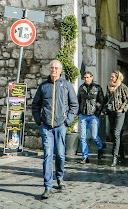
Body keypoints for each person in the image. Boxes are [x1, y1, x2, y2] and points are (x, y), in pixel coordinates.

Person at [32, 59, 79, 200]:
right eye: (51, 68)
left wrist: (67, 121)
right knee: (47, 155)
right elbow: (35, 105)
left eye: (56, 68)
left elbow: (74, 105)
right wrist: (39, 120)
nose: (53, 70)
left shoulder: (66, 86)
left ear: (60, 70)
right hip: (46, 127)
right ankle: (48, 186)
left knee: (60, 155)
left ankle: (59, 177)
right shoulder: (43, 87)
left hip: (60, 126)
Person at [105, 69, 128, 167]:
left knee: (116, 133)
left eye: (113, 77)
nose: (111, 78)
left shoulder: (122, 87)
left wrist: (122, 109)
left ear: (117, 77)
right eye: (111, 77)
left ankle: (114, 157)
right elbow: (106, 98)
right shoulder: (109, 86)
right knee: (114, 134)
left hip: (119, 113)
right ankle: (122, 153)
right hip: (111, 112)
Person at [77, 70, 105, 163]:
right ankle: (85, 156)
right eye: (85, 77)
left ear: (92, 77)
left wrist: (97, 113)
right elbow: (78, 100)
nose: (86, 79)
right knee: (82, 137)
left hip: (93, 115)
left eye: (88, 77)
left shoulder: (97, 88)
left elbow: (101, 101)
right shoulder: (81, 88)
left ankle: (100, 147)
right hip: (83, 115)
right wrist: (78, 112)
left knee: (94, 136)